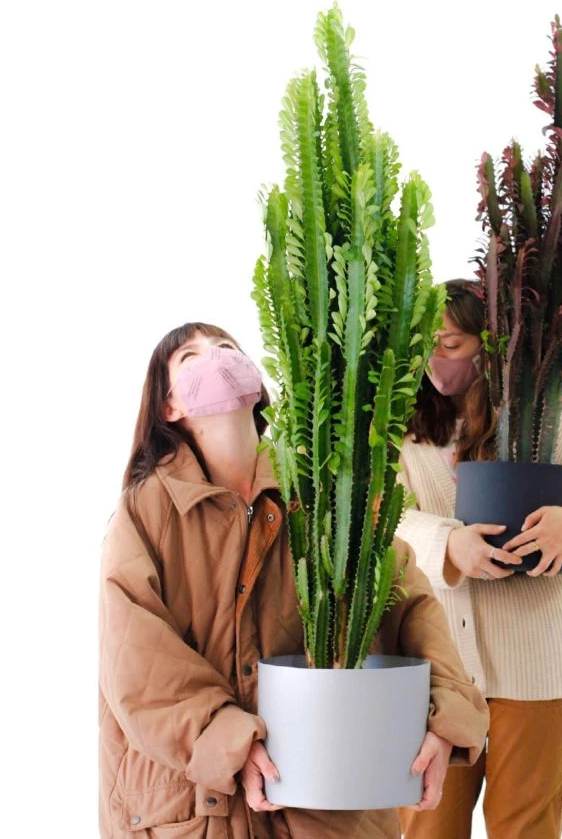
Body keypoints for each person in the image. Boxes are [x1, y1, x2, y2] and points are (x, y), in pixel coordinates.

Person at [98, 322, 489, 839]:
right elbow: (136, 660)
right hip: (193, 811)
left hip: (328, 806)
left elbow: (410, 602)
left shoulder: (324, 490)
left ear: (255, 382)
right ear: (168, 406)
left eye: (226, 348)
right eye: (191, 356)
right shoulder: (146, 512)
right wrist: (227, 740)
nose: (215, 357)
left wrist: (447, 718)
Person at [396, 280, 562, 839]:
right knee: (428, 829)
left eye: (451, 344)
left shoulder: (542, 422)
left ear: (487, 346)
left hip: (539, 669)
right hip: (435, 675)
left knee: (525, 829)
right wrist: (448, 543)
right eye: (425, 344)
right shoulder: (399, 431)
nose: (436, 359)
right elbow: (385, 523)